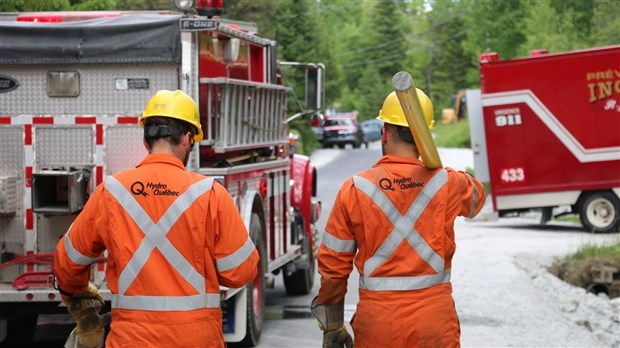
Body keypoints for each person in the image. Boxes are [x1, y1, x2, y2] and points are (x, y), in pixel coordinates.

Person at [54, 90, 259, 348]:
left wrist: (80, 296)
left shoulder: (112, 191)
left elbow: (67, 262)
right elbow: (241, 271)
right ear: (187, 139)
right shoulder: (210, 194)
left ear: (145, 141)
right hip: (197, 341)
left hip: (131, 341)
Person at [312, 89, 486, 348]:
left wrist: (334, 324)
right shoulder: (448, 182)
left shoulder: (355, 188)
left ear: (385, 132)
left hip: (379, 323)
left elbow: (333, 267)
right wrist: (438, 168)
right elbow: (477, 200)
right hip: (434, 321)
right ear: (425, 135)